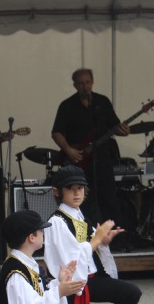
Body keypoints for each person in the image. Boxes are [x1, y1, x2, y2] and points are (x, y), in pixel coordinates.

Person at [43, 166, 142, 304]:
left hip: (91, 277)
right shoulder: (57, 221)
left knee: (131, 293)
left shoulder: (79, 215)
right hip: (73, 281)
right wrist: (97, 240)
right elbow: (70, 258)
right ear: (57, 192)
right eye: (70, 188)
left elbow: (89, 245)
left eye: (80, 188)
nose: (76, 193)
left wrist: (103, 240)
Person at [51, 68, 130, 226]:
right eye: (80, 83)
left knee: (109, 199)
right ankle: (85, 237)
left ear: (92, 82)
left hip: (102, 160)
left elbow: (114, 126)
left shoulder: (102, 102)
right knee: (82, 201)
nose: (84, 86)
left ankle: (115, 239)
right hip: (79, 162)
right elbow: (56, 132)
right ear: (74, 85)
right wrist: (69, 150)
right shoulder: (67, 106)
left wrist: (123, 131)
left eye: (87, 82)